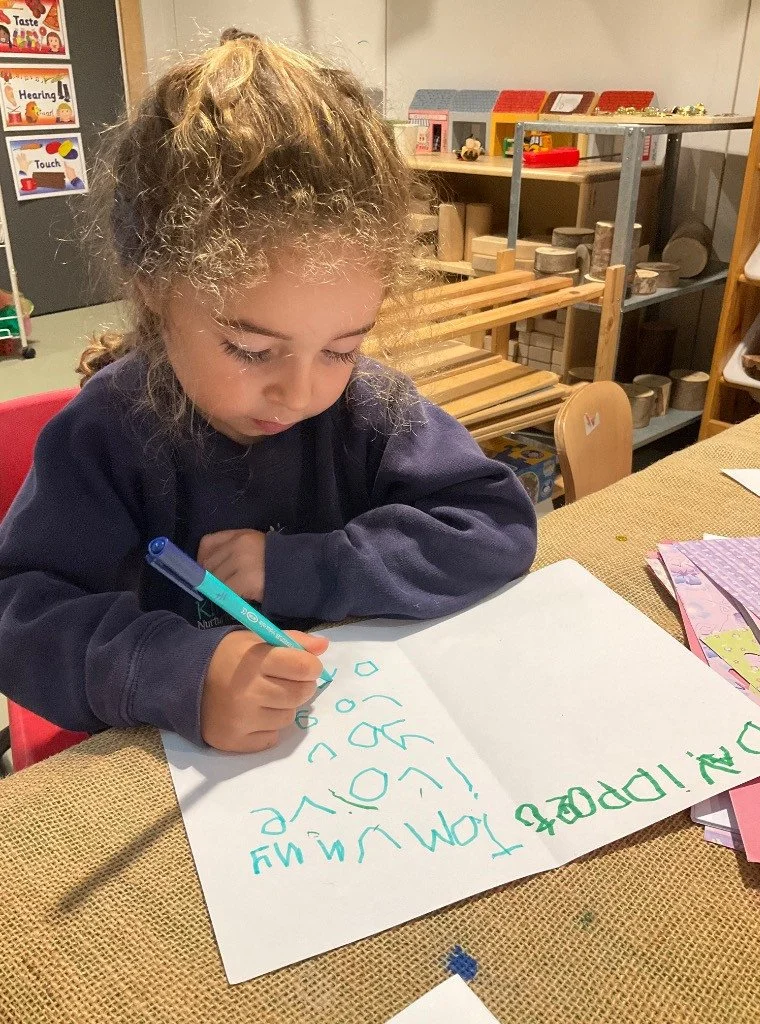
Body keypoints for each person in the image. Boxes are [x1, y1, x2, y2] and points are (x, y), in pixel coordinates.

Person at [0, 30, 536, 755]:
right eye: (252, 349)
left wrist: (301, 568)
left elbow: (494, 527)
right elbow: (19, 614)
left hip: (351, 751)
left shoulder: (370, 408)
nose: (300, 391)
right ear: (153, 286)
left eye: (343, 348)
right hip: (165, 774)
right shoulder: (105, 435)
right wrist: (174, 672)